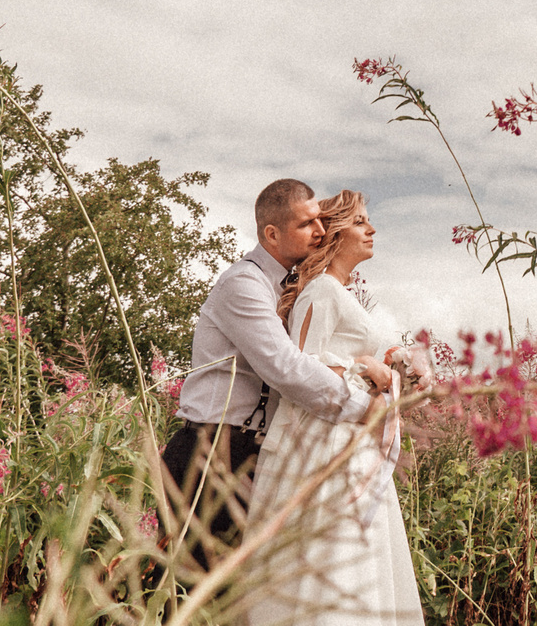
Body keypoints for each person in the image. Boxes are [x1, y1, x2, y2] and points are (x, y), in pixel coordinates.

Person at [159, 178, 393, 581]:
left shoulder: (289, 288)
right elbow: (286, 368)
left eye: (321, 222)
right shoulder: (244, 284)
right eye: (307, 224)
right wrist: (363, 408)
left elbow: (312, 358)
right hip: (211, 451)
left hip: (255, 456)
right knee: (191, 589)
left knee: (239, 595)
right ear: (271, 233)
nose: (320, 231)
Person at [244, 189, 429, 626]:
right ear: (335, 233)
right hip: (326, 444)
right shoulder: (321, 292)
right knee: (336, 557)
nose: (371, 229)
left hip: (352, 440)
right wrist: (362, 366)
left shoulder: (338, 292)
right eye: (360, 221)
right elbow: (302, 370)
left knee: (361, 559)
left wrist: (399, 365)